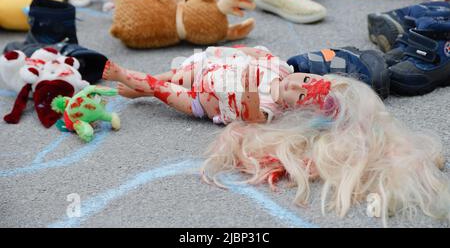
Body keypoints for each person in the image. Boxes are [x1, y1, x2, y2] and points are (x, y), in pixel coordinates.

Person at [102, 45, 450, 226]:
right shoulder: (283, 69)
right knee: (174, 75)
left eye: (300, 94)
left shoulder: (271, 108)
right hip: (210, 70)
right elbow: (260, 54)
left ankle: (132, 80)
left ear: (296, 112)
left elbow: (252, 118)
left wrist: (251, 94)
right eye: (309, 81)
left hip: (205, 99)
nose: (298, 84)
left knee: (167, 91)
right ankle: (139, 87)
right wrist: (249, 54)